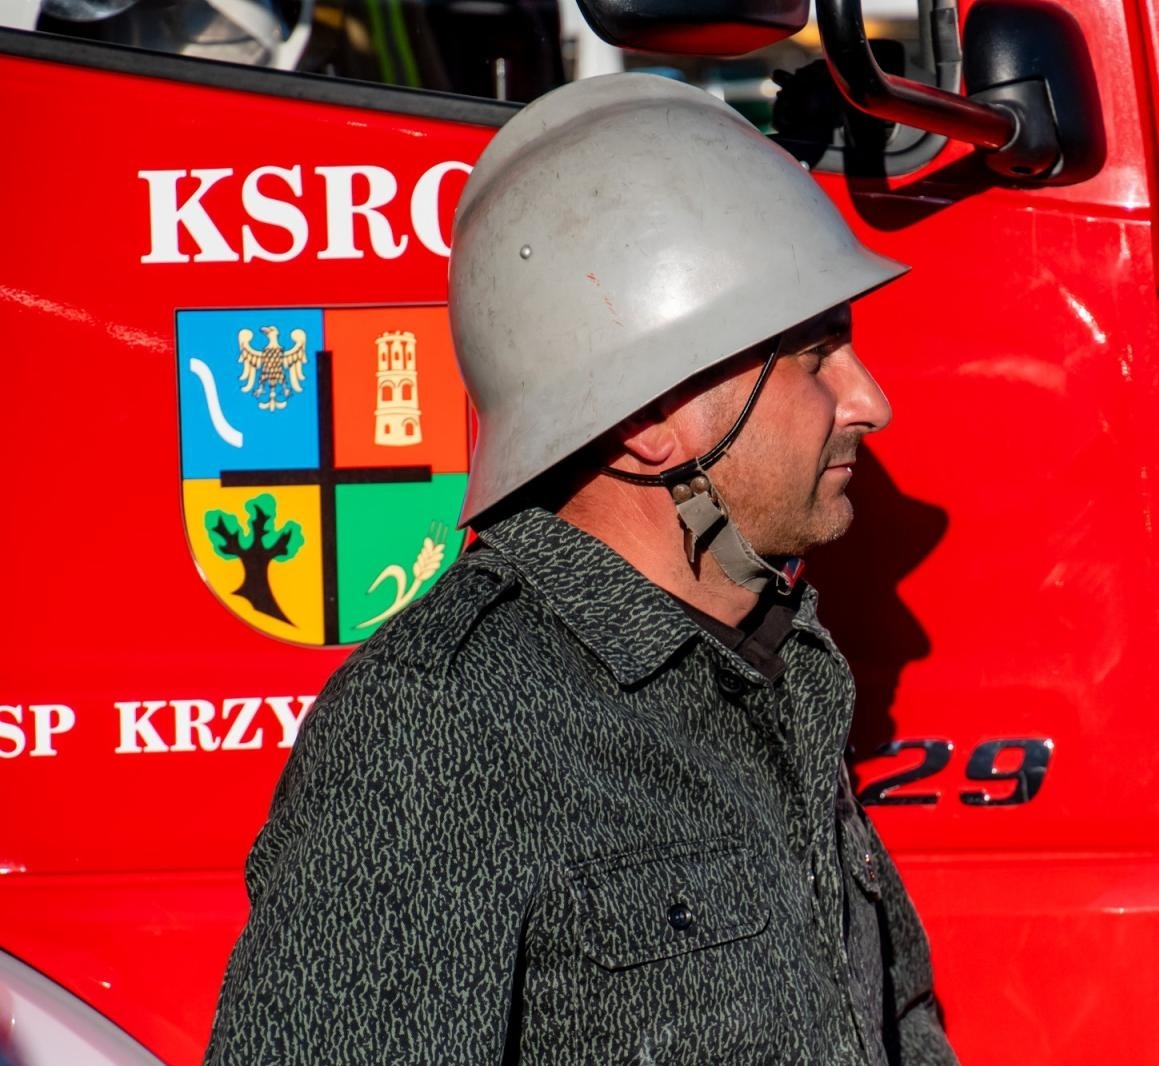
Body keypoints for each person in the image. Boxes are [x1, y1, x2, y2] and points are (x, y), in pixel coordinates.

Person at [204, 72, 957, 1066]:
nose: (869, 402)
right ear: (650, 422)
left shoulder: (777, 668)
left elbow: (899, 1021)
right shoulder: (445, 724)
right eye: (816, 358)